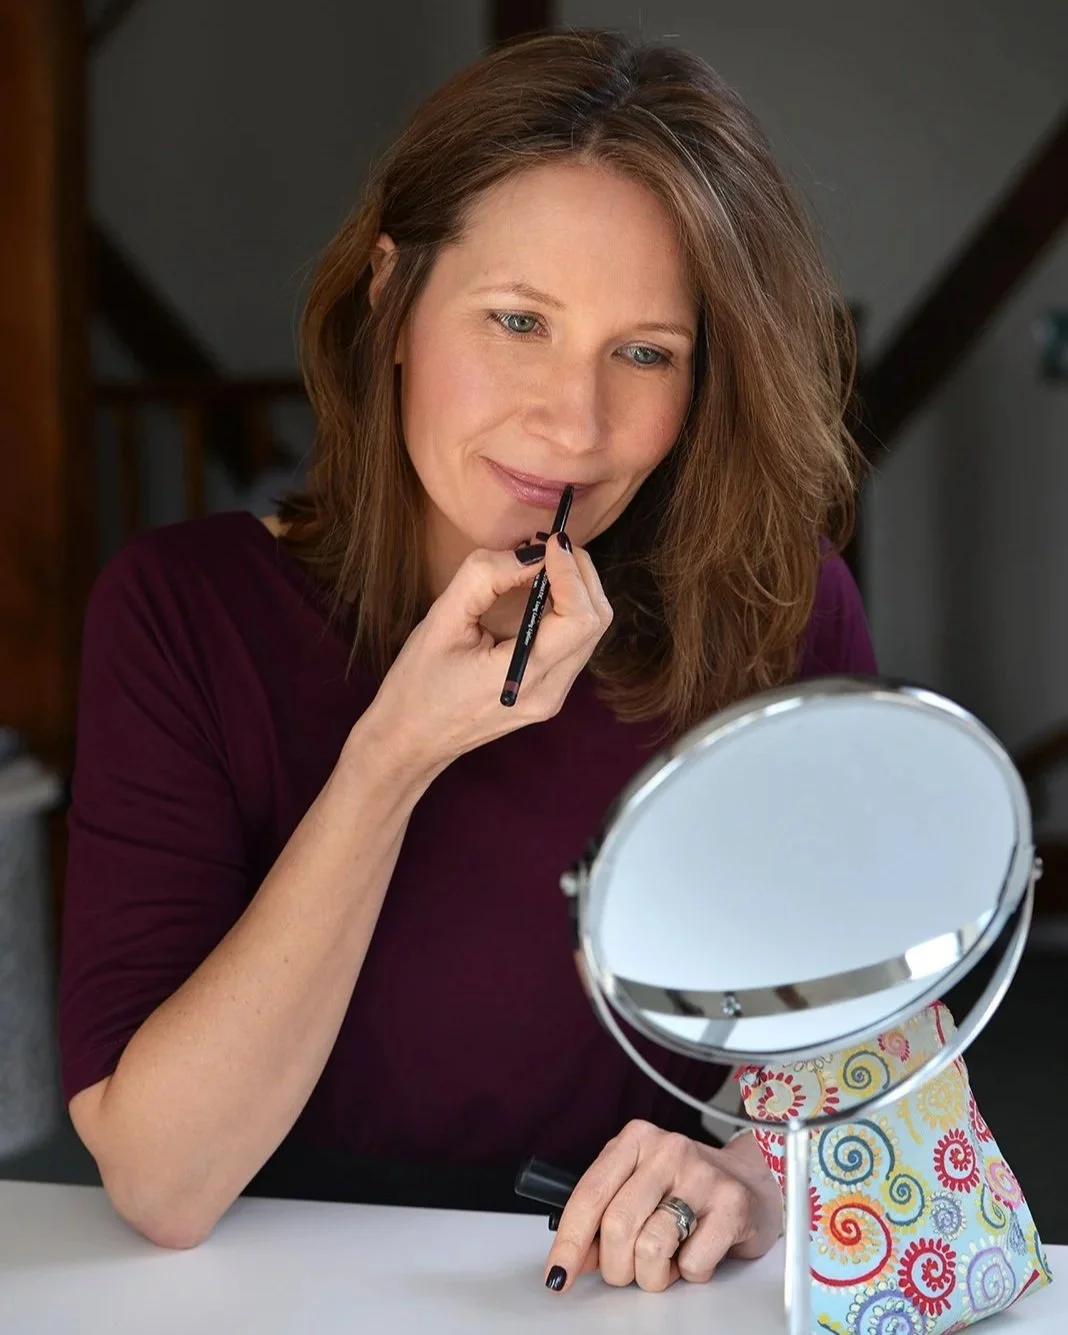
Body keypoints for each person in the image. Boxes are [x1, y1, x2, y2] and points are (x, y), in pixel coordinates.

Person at [58, 29, 877, 1295]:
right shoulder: (183, 614)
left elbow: (863, 1061)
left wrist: (760, 1177)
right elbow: (165, 1183)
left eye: (646, 351)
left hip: (624, 1305)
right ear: (391, 301)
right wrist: (395, 753)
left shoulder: (776, 611)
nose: (576, 422)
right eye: (517, 321)